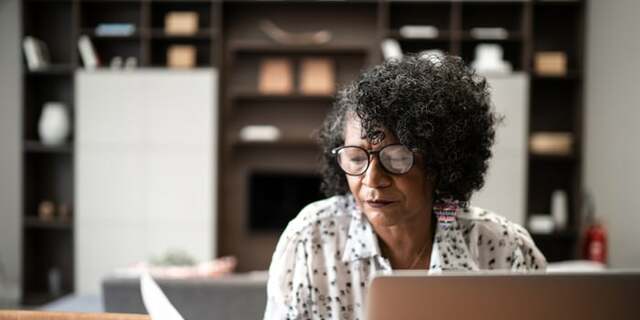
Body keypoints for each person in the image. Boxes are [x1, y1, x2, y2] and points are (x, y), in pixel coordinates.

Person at [263, 53, 546, 320]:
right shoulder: (310, 240)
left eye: (396, 159)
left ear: (439, 162)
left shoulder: (502, 247)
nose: (372, 180)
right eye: (356, 157)